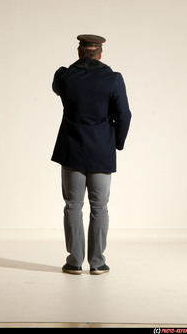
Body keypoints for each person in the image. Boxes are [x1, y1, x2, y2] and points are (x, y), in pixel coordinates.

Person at [51, 34, 132, 275]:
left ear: (79, 52)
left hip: (72, 149)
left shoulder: (64, 76)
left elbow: (58, 88)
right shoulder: (113, 79)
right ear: (100, 53)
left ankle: (74, 262)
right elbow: (124, 115)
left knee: (73, 206)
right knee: (99, 207)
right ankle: (97, 263)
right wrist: (116, 143)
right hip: (101, 150)